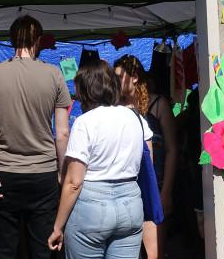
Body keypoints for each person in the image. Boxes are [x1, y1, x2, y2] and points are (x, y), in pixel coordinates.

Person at [0, 15, 72, 259]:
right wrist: (60, 173)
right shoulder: (54, 74)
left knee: (4, 250)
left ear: (12, 39)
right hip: (44, 175)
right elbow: (63, 133)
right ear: (38, 41)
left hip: (4, 175)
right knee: (42, 248)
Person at [48, 59, 152, 258]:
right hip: (130, 202)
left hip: (92, 206)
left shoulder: (84, 123)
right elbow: (148, 163)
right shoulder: (135, 118)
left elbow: (74, 182)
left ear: (85, 89)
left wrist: (58, 226)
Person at [113, 55, 178, 259]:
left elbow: (172, 150)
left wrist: (166, 192)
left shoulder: (158, 104)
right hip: (126, 189)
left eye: (119, 77)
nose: (115, 82)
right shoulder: (115, 109)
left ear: (134, 77)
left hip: (154, 187)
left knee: (153, 252)